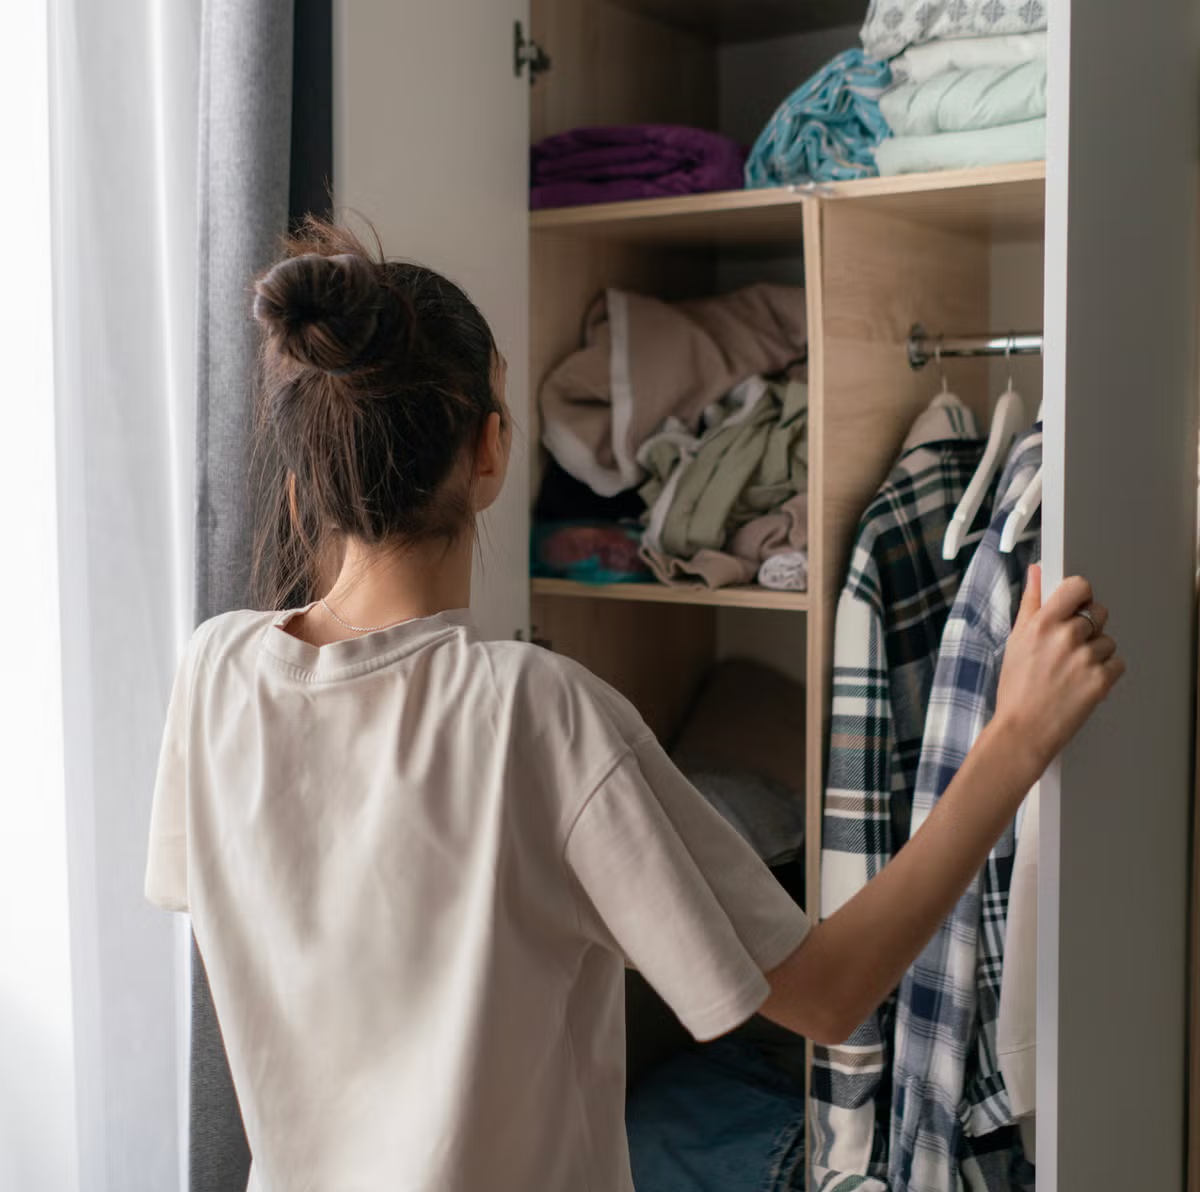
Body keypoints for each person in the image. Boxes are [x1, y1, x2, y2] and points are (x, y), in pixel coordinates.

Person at [145, 219, 1124, 1192]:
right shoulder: (529, 711)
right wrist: (1017, 733)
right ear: (490, 451)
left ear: (309, 459)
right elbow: (829, 993)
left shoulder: (215, 672)